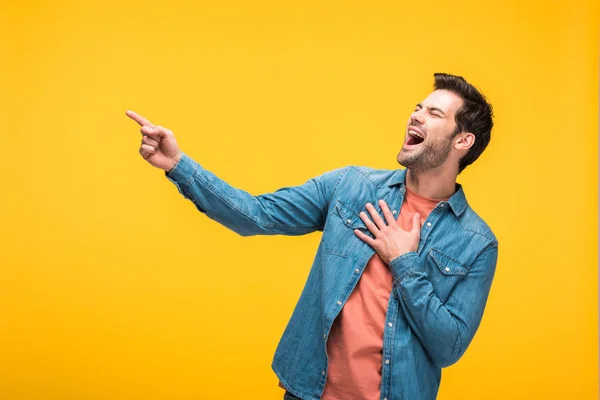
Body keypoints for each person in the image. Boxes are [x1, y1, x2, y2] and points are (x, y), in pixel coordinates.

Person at [126, 72, 498, 400]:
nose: (415, 115)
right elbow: (258, 215)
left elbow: (448, 346)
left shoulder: (476, 242)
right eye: (418, 107)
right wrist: (178, 165)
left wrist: (404, 262)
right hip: (309, 392)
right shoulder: (352, 186)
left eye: (434, 114)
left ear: (462, 141)